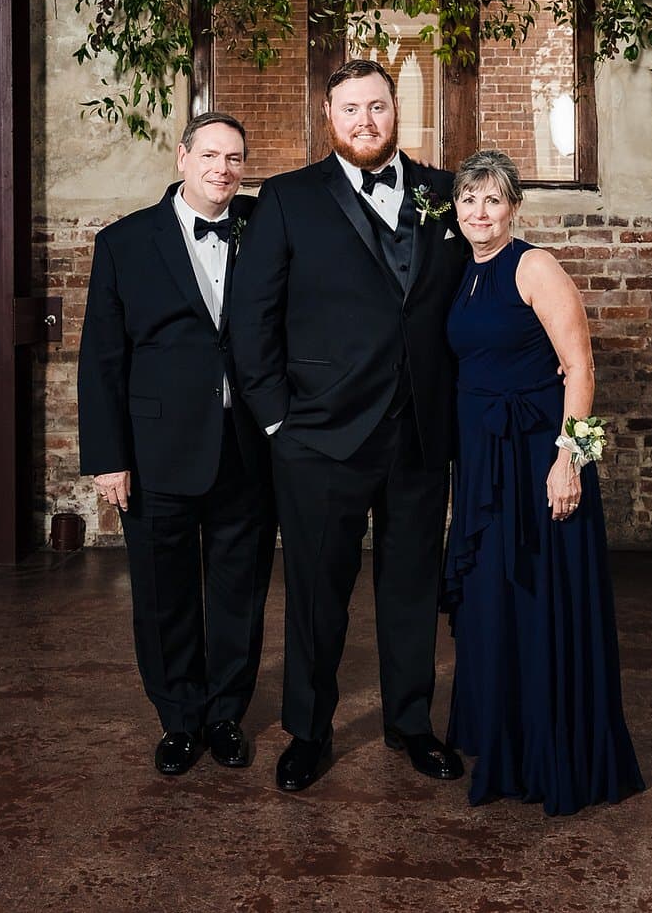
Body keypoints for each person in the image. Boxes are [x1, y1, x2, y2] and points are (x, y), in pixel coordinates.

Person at [229, 59, 468, 793]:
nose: (366, 121)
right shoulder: (287, 198)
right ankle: (308, 731)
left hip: (419, 430)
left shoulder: (443, 193)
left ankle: (411, 723)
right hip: (318, 435)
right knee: (315, 593)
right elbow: (251, 316)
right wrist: (277, 421)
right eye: (351, 110)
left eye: (378, 107)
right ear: (328, 118)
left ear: (398, 110)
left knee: (412, 586)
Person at [440, 149, 643, 814]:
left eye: (493, 199)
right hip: (484, 465)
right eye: (469, 199)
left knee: (539, 601)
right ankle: (504, 743)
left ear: (514, 208)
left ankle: (552, 753)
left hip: (539, 460)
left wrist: (570, 461)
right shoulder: (462, 272)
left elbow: (582, 369)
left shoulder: (536, 266)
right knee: (493, 605)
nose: (480, 212)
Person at [78, 111, 275, 775]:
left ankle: (225, 715)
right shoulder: (124, 242)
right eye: (210, 154)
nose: (223, 168)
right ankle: (180, 720)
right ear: (182, 157)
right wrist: (109, 458)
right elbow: (102, 359)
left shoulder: (263, 227)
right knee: (164, 595)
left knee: (239, 592)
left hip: (245, 448)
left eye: (235, 158)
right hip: (155, 450)